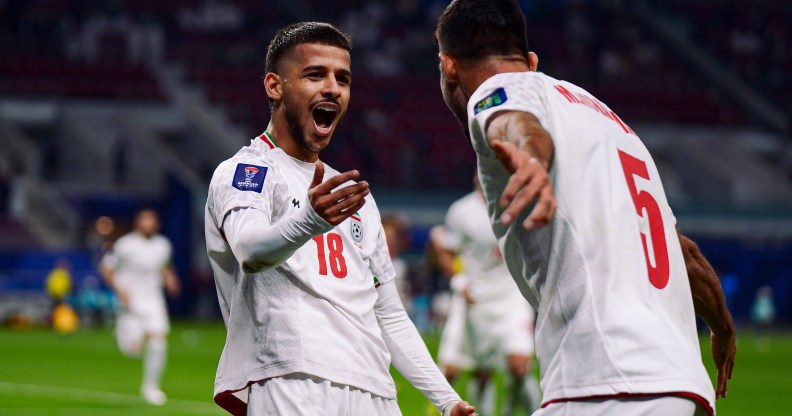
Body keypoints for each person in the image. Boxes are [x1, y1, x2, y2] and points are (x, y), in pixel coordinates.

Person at [434, 1, 736, 415]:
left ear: (448, 65)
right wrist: (721, 325)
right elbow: (683, 253)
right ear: (533, 60)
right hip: (682, 386)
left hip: (606, 381)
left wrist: (533, 160)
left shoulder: (495, 89)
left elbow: (514, 121)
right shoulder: (612, 124)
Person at [204, 22, 475, 416]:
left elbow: (388, 313)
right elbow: (249, 250)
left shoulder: (354, 196)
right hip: (292, 380)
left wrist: (446, 398)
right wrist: (309, 220)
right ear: (275, 86)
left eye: (342, 79)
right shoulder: (247, 170)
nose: (332, 87)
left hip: (375, 390)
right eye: (315, 74)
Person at [435, 178, 541, 415]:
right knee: (481, 373)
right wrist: (459, 281)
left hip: (512, 295)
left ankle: (515, 411)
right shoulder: (462, 211)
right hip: (477, 299)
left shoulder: (521, 204)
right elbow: (446, 251)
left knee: (519, 366)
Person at [101, 209, 181, 406]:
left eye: (153, 219)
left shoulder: (163, 244)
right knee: (132, 349)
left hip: (154, 299)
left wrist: (170, 279)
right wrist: (119, 290)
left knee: (158, 337)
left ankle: (151, 387)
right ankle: (124, 335)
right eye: (146, 219)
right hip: (131, 302)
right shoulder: (125, 244)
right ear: (138, 222)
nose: (150, 223)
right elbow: (107, 268)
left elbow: (165, 266)